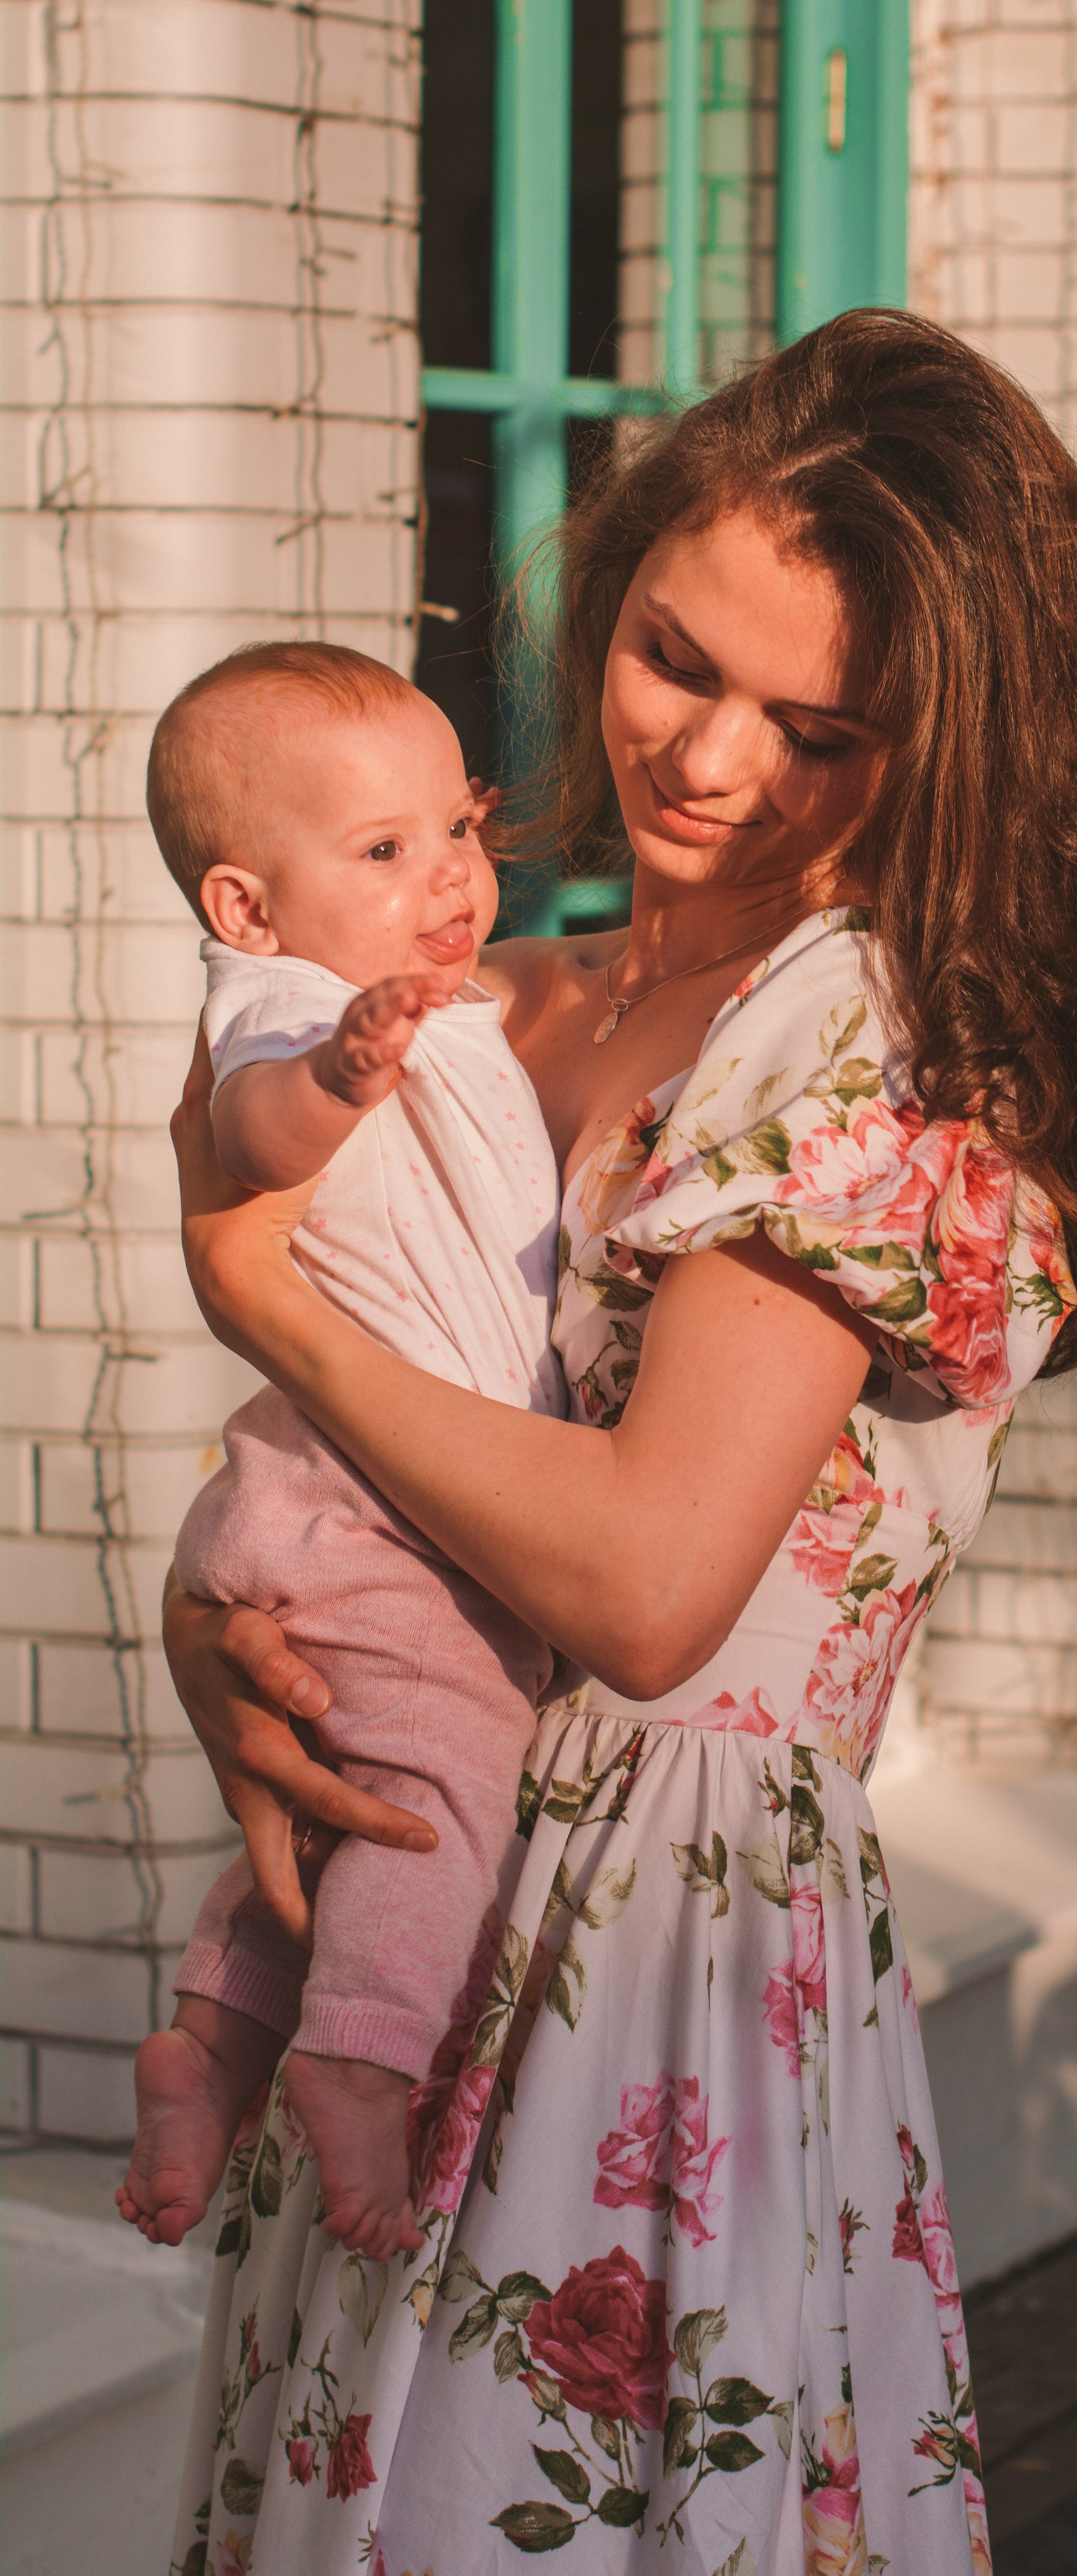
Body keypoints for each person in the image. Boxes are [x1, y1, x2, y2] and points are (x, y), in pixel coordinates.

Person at [159, 309, 1077, 2576]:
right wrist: (218, 1642)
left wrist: (259, 1290)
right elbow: (346, 1461)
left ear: (937, 745)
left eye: (822, 725)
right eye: (678, 658)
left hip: (646, 1958)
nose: (712, 758)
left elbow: (652, 1591)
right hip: (421, 1878)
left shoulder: (872, 1044)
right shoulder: (495, 1003)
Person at [121, 644, 562, 2265]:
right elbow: (250, 1139)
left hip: (333, 1497)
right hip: (367, 1511)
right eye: (383, 852)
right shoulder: (288, 1003)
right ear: (247, 907)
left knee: (342, 1791)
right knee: (438, 1781)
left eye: (457, 826)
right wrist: (337, 1072)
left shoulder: (432, 996)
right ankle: (361, 2059)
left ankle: (209, 2040)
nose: (448, 875)